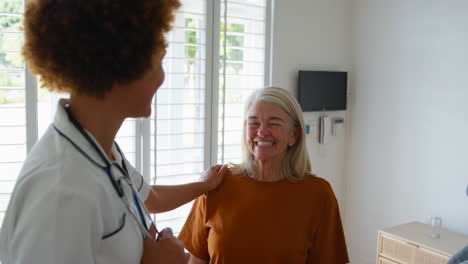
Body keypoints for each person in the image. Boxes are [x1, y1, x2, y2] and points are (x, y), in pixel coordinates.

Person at [0, 0, 228, 263]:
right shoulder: (61, 191)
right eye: (158, 61)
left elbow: (149, 198)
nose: (161, 78)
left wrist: (206, 185)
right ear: (121, 62)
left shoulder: (99, 149)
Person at [179, 87, 349, 263]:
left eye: (274, 123)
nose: (261, 131)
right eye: (254, 123)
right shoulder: (216, 185)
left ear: (294, 135)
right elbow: (197, 260)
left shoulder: (318, 194)